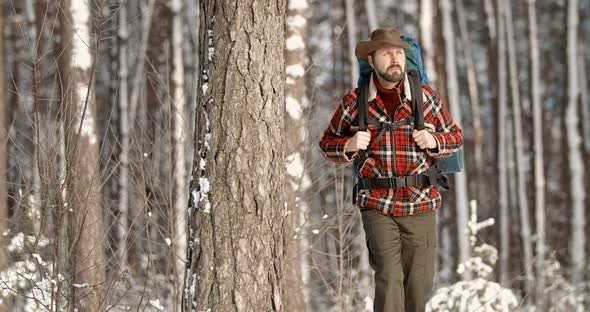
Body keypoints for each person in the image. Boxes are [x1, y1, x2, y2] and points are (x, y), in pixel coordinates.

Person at [318, 28, 463, 312]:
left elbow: (455, 138)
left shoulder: (425, 98)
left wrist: (434, 141)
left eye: (399, 53)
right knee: (389, 276)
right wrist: (348, 144)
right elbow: (326, 144)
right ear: (372, 60)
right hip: (377, 202)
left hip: (420, 201)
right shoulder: (355, 102)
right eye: (387, 54)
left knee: (418, 286)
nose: (395, 59)